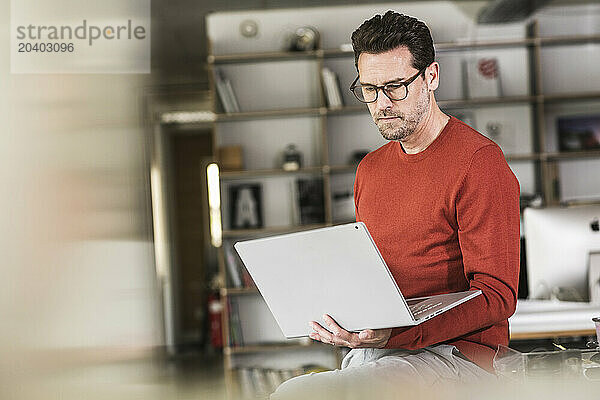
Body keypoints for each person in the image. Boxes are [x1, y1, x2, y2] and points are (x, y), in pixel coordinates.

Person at [271, 11, 520, 399]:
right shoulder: (370, 169)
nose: (381, 104)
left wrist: (400, 334)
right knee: (290, 391)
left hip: (455, 356)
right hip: (382, 351)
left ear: (431, 77)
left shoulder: (479, 162)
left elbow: (497, 296)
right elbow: (368, 274)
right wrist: (340, 318)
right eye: (369, 89)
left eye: (395, 87)